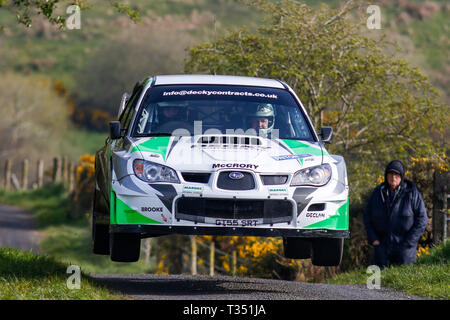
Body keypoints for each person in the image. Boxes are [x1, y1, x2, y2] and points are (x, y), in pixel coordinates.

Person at [363, 160, 428, 269]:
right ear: (386, 175)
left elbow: (422, 220)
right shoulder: (377, 193)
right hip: (381, 250)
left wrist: (408, 242)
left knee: (404, 284)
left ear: (402, 176)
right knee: (375, 284)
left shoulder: (412, 193)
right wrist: (374, 239)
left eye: (397, 174)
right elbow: (367, 217)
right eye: (391, 174)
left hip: (405, 252)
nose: (393, 177)